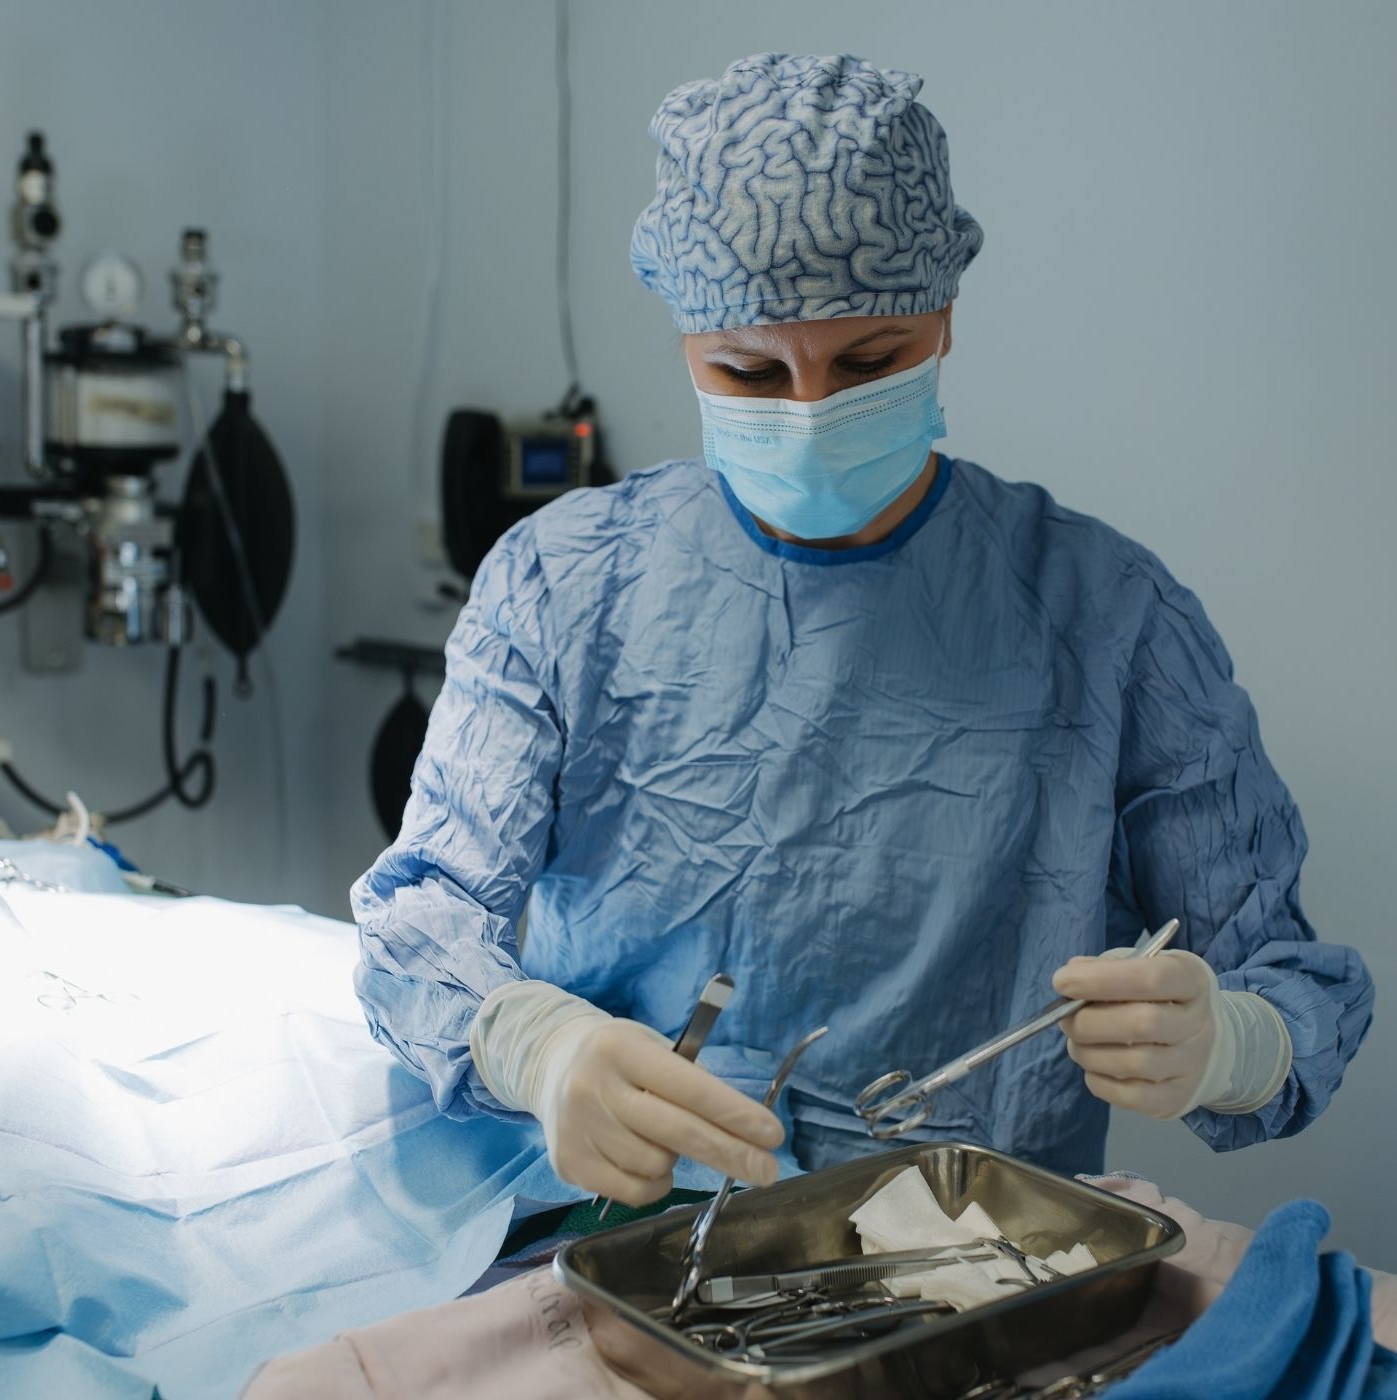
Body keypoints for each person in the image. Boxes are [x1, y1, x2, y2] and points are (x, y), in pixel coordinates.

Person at [353, 53, 1374, 1207]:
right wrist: (533, 1045)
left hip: (959, 1269)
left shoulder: (1107, 615)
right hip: (605, 1233)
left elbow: (1296, 985)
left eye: (867, 364)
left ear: (941, 318)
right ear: (686, 344)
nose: (806, 414)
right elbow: (420, 916)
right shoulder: (558, 583)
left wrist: (1229, 1042)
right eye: (747, 370)